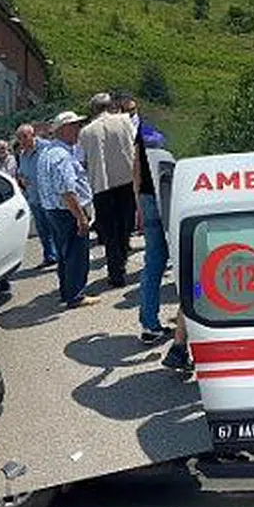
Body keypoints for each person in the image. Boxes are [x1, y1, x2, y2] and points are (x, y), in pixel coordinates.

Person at [36, 111, 100, 310]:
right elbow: (67, 191)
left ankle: (67, 291)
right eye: (75, 126)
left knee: (65, 254)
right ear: (64, 129)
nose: (79, 130)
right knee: (76, 254)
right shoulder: (61, 155)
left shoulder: (47, 152)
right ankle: (75, 295)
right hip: (67, 211)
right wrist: (81, 217)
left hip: (53, 211)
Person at [79, 93, 138, 287]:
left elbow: (81, 160)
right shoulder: (125, 121)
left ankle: (116, 271)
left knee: (109, 231)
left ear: (93, 109)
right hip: (126, 180)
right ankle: (121, 260)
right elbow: (135, 145)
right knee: (125, 225)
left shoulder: (86, 132)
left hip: (101, 185)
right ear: (110, 105)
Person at [128, 105, 169, 344]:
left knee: (152, 264)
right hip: (169, 198)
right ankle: (191, 323)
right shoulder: (164, 135)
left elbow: (135, 173)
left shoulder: (139, 135)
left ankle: (149, 324)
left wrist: (139, 208)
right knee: (185, 261)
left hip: (147, 199)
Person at [14, 124, 59, 267]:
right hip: (34, 197)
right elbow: (21, 173)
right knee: (43, 230)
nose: (22, 141)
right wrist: (22, 179)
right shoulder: (22, 155)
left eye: (24, 137)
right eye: (19, 138)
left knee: (56, 228)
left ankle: (63, 254)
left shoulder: (46, 147)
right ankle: (50, 256)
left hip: (50, 197)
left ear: (33, 135)